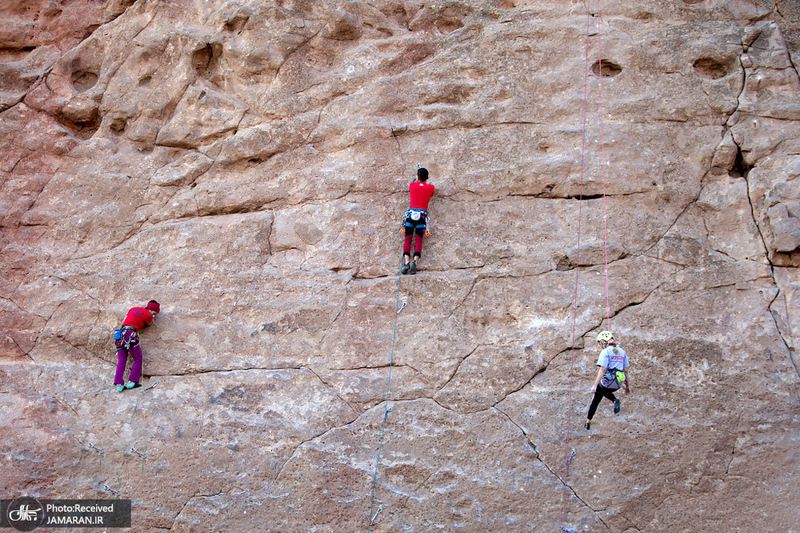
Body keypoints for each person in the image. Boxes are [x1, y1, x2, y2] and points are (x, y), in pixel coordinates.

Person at [585, 330, 630, 430]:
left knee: (597, 397)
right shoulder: (622, 352)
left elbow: (603, 369)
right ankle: (588, 421)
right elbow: (626, 370)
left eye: (601, 343)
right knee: (600, 393)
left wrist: (595, 385)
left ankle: (588, 421)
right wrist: (627, 387)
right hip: (619, 383)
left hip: (608, 382)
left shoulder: (605, 352)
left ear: (603, 341)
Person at [113, 300, 160, 392]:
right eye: (154, 313)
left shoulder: (133, 309)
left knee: (121, 360)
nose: (153, 316)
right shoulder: (148, 315)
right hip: (130, 334)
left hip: (120, 335)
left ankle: (119, 385)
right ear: (150, 309)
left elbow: (127, 318)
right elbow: (148, 323)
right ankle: (132, 382)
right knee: (138, 358)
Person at [401, 167, 435, 275]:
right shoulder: (431, 188)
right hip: (422, 216)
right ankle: (415, 262)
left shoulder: (412, 185)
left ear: (418, 177)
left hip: (410, 215)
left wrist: (416, 179)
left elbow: (413, 182)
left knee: (407, 239)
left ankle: (406, 263)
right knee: (418, 240)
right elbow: (431, 190)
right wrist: (425, 181)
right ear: (427, 177)